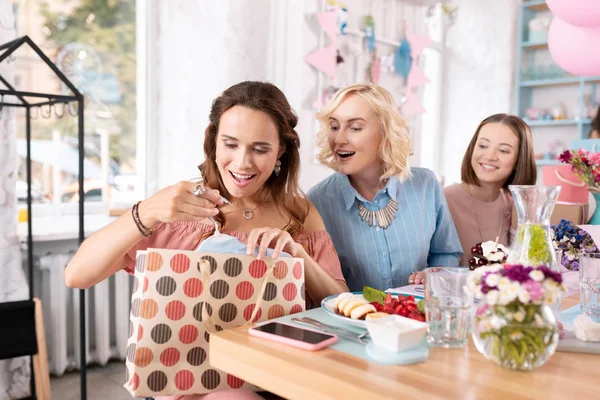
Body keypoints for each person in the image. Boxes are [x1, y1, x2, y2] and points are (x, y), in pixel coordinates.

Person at [65, 81, 348, 400]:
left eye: (259, 148)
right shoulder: (178, 205)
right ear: (213, 142)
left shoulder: (299, 212)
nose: (242, 163)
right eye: (231, 144)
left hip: (274, 378)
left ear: (281, 150)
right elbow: (77, 275)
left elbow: (342, 306)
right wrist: (146, 211)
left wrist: (299, 255)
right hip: (186, 381)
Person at [307, 83, 462, 289]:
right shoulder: (316, 201)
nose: (339, 139)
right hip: (353, 320)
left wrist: (433, 276)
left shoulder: (426, 185)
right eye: (335, 127)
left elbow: (446, 252)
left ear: (385, 132)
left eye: (355, 128)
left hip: (417, 318)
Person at [444, 114, 537, 267]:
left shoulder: (512, 205)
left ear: (519, 160)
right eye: (483, 146)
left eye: (503, 150)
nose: (490, 156)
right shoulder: (443, 201)